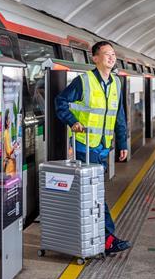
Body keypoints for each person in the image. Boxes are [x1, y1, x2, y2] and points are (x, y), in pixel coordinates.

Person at [55, 41, 130, 255]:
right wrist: (72, 121)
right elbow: (60, 101)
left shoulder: (116, 83)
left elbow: (119, 115)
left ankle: (95, 236)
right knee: (95, 193)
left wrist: (122, 142)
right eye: (107, 54)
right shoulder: (83, 81)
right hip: (84, 147)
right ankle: (108, 239)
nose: (111, 57)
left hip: (103, 148)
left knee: (92, 193)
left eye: (113, 54)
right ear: (95, 58)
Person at [3, 110, 19, 177]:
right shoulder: (6, 133)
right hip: (9, 167)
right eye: (9, 118)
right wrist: (15, 147)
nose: (10, 120)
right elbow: (9, 152)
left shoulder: (8, 132)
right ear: (6, 122)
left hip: (10, 165)